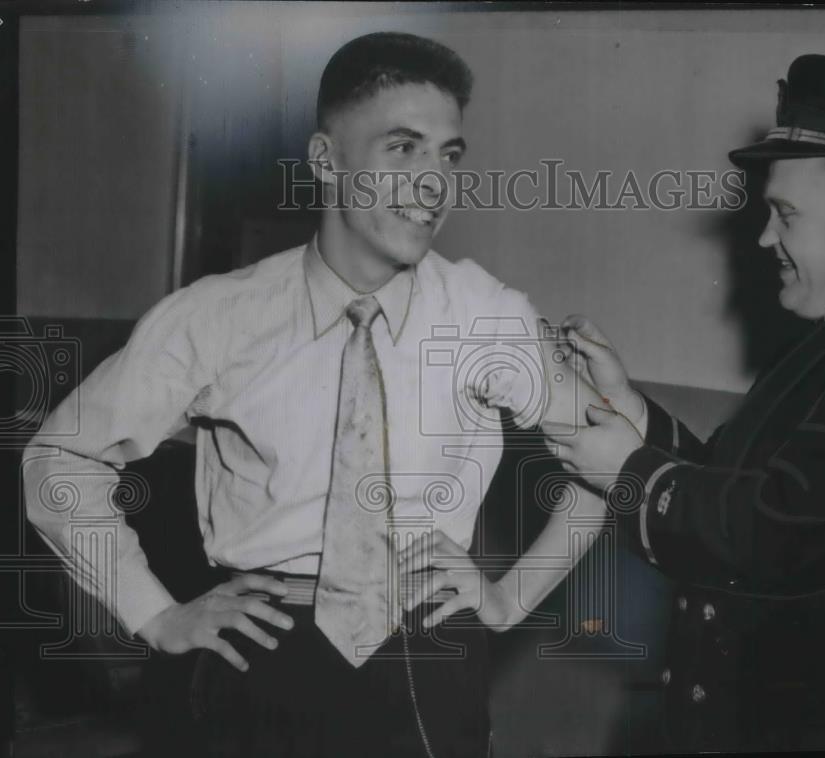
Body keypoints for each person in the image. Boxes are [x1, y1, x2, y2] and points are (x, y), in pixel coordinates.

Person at [22, 32, 606, 757]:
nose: (433, 185)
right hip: (258, 653)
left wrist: (508, 599)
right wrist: (156, 615)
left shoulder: (486, 316)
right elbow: (59, 461)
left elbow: (608, 461)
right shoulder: (217, 316)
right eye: (402, 148)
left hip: (424, 654)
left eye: (447, 155)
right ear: (326, 160)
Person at [543, 54, 825, 751]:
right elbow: (742, 490)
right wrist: (634, 413)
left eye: (784, 215)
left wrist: (628, 470)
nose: (762, 238)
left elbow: (778, 532)